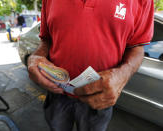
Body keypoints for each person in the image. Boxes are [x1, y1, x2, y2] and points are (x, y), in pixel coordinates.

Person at [27, 0, 154, 131]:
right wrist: (36, 57)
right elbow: (46, 39)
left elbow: (137, 47)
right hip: (57, 93)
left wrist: (123, 74)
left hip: (99, 97)